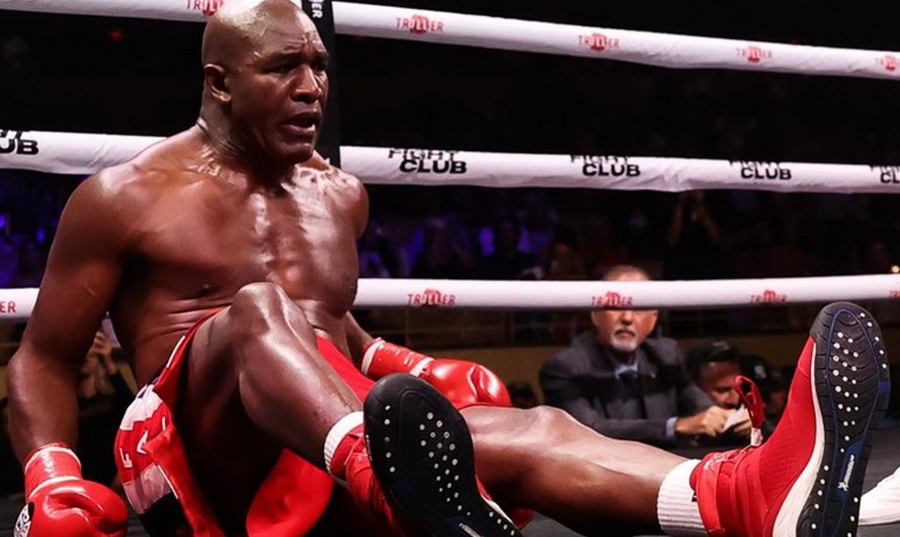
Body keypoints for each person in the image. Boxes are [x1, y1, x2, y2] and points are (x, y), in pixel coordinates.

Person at [5, 3, 890, 537]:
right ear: (220, 82)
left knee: (536, 429)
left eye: (320, 67)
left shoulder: (338, 194)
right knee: (254, 311)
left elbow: (330, 327)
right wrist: (51, 474)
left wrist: (404, 361)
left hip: (326, 447)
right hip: (202, 466)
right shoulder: (125, 195)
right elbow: (43, 356)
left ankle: (745, 497)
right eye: (285, 68)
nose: (313, 87)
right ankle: (388, 475)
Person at [540, 265, 749, 447]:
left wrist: (730, 419)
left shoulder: (666, 354)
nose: (627, 318)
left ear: (653, 319)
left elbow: (697, 404)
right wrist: (674, 426)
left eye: (638, 308)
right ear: (595, 314)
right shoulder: (564, 367)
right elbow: (588, 429)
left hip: (665, 472)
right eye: (616, 306)